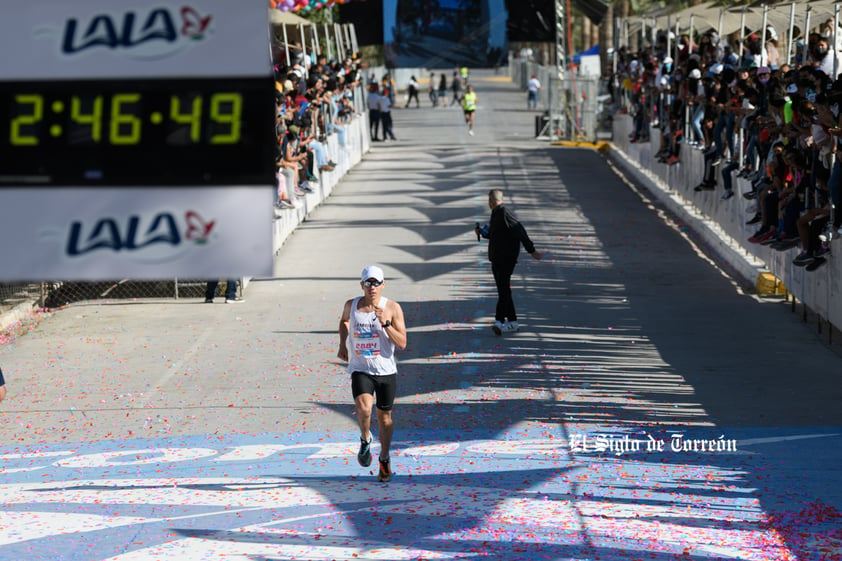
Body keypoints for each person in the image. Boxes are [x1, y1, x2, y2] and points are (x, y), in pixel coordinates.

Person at [337, 265, 407, 482]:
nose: (372, 287)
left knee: (384, 418)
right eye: (368, 283)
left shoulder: (393, 308)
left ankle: (384, 459)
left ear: (383, 285)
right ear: (362, 285)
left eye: (376, 283)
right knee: (364, 408)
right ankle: (366, 438)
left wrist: (385, 324)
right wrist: (343, 344)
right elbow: (344, 321)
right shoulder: (352, 305)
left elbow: (402, 343)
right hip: (361, 368)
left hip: (385, 371)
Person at [475, 190, 542, 335]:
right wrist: (481, 232)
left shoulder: (505, 213)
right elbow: (494, 233)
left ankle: (499, 322)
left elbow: (520, 231)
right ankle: (513, 322)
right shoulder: (495, 213)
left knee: (504, 290)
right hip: (497, 258)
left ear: (491, 201)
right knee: (503, 290)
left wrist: (532, 250)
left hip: (506, 259)